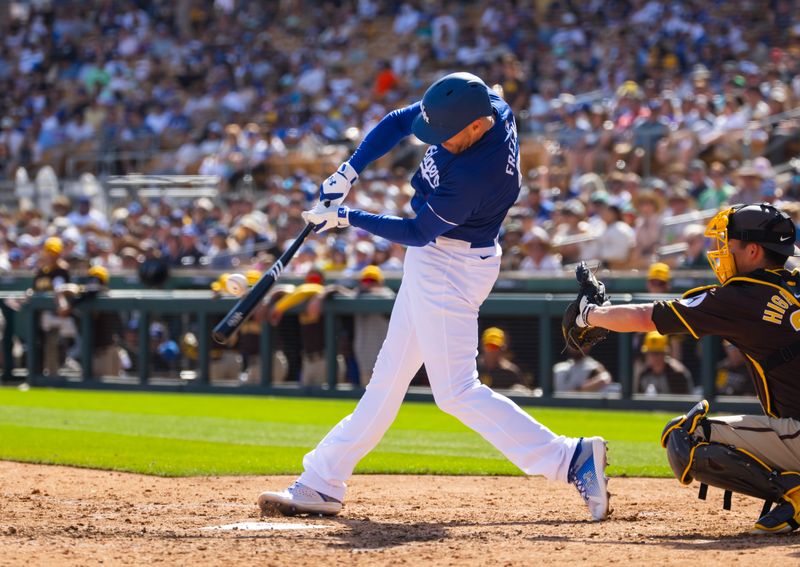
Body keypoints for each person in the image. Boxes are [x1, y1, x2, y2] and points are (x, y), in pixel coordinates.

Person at [258, 72, 609, 521]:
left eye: (448, 135)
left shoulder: (477, 173)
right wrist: (347, 171)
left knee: (457, 391)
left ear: (478, 126)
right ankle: (323, 480)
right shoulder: (489, 108)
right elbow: (399, 119)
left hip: (448, 264)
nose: (438, 142)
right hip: (448, 259)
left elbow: (419, 232)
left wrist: (346, 216)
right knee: (386, 381)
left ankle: (569, 458)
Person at [569, 202, 800, 534]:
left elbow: (645, 316)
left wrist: (588, 315)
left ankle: (796, 494)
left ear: (752, 250)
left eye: (730, 245)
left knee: (685, 436)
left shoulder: (744, 297)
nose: (723, 253)